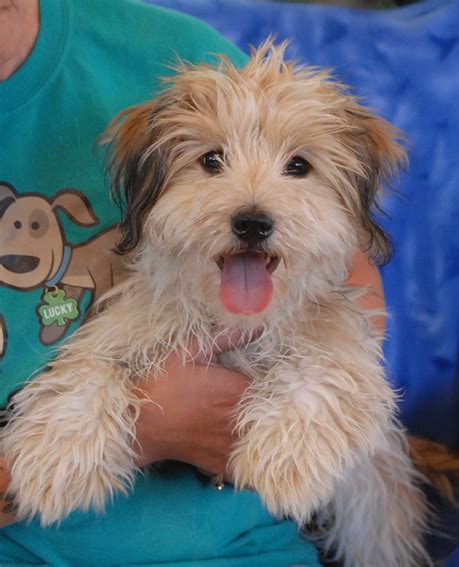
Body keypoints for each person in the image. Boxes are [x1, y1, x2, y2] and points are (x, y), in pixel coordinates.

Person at [0, 0, 385, 564]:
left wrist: (322, 393)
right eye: (211, 160)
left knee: (378, 475)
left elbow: (351, 276)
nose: (252, 206)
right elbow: (60, 456)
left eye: (295, 168)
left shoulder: (162, 46)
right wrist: (148, 428)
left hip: (250, 550)